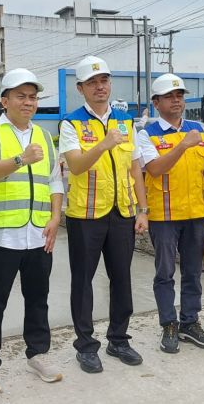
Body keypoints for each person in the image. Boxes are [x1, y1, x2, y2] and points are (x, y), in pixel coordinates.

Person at [0, 68, 64, 395]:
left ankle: (38, 354)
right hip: (2, 235)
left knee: (38, 298)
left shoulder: (44, 137)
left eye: (33, 97)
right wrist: (21, 159)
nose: (28, 102)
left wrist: (55, 217)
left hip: (38, 233)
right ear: (5, 100)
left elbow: (54, 181)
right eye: (21, 96)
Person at [59, 55, 148, 374]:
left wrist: (143, 210)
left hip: (122, 212)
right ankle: (85, 346)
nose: (100, 87)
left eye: (104, 81)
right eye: (92, 82)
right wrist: (103, 144)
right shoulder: (71, 123)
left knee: (122, 278)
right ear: (81, 88)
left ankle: (119, 339)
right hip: (86, 215)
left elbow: (135, 167)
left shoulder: (126, 121)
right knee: (83, 281)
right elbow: (76, 165)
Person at [137, 73, 204, 354]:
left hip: (196, 214)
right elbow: (154, 169)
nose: (176, 100)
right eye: (169, 96)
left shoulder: (197, 130)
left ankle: (190, 323)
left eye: (180, 96)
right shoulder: (147, 134)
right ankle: (169, 324)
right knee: (165, 273)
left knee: (193, 272)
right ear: (156, 103)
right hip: (164, 217)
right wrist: (183, 145)